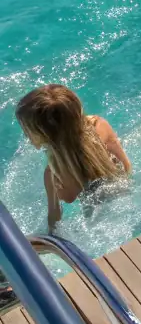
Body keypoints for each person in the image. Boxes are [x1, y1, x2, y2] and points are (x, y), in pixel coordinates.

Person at [16, 85, 131, 228]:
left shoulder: (54, 173)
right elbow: (126, 166)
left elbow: (58, 213)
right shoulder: (100, 125)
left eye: (27, 130)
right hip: (126, 197)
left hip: (99, 223)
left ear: (42, 135)